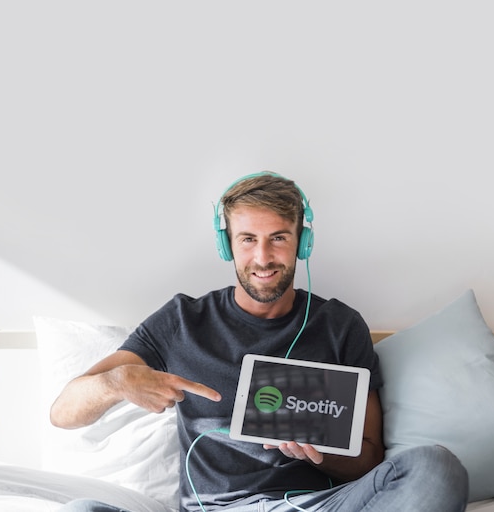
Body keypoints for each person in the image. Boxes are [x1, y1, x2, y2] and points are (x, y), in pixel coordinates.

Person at [52, 171, 469, 512]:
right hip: (215, 510)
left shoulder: (339, 325)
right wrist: (118, 381)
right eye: (248, 239)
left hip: (319, 506)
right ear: (226, 245)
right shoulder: (182, 321)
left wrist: (321, 451)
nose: (264, 258)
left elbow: (370, 458)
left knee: (435, 465)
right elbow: (63, 413)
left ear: (302, 243)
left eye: (279, 238)